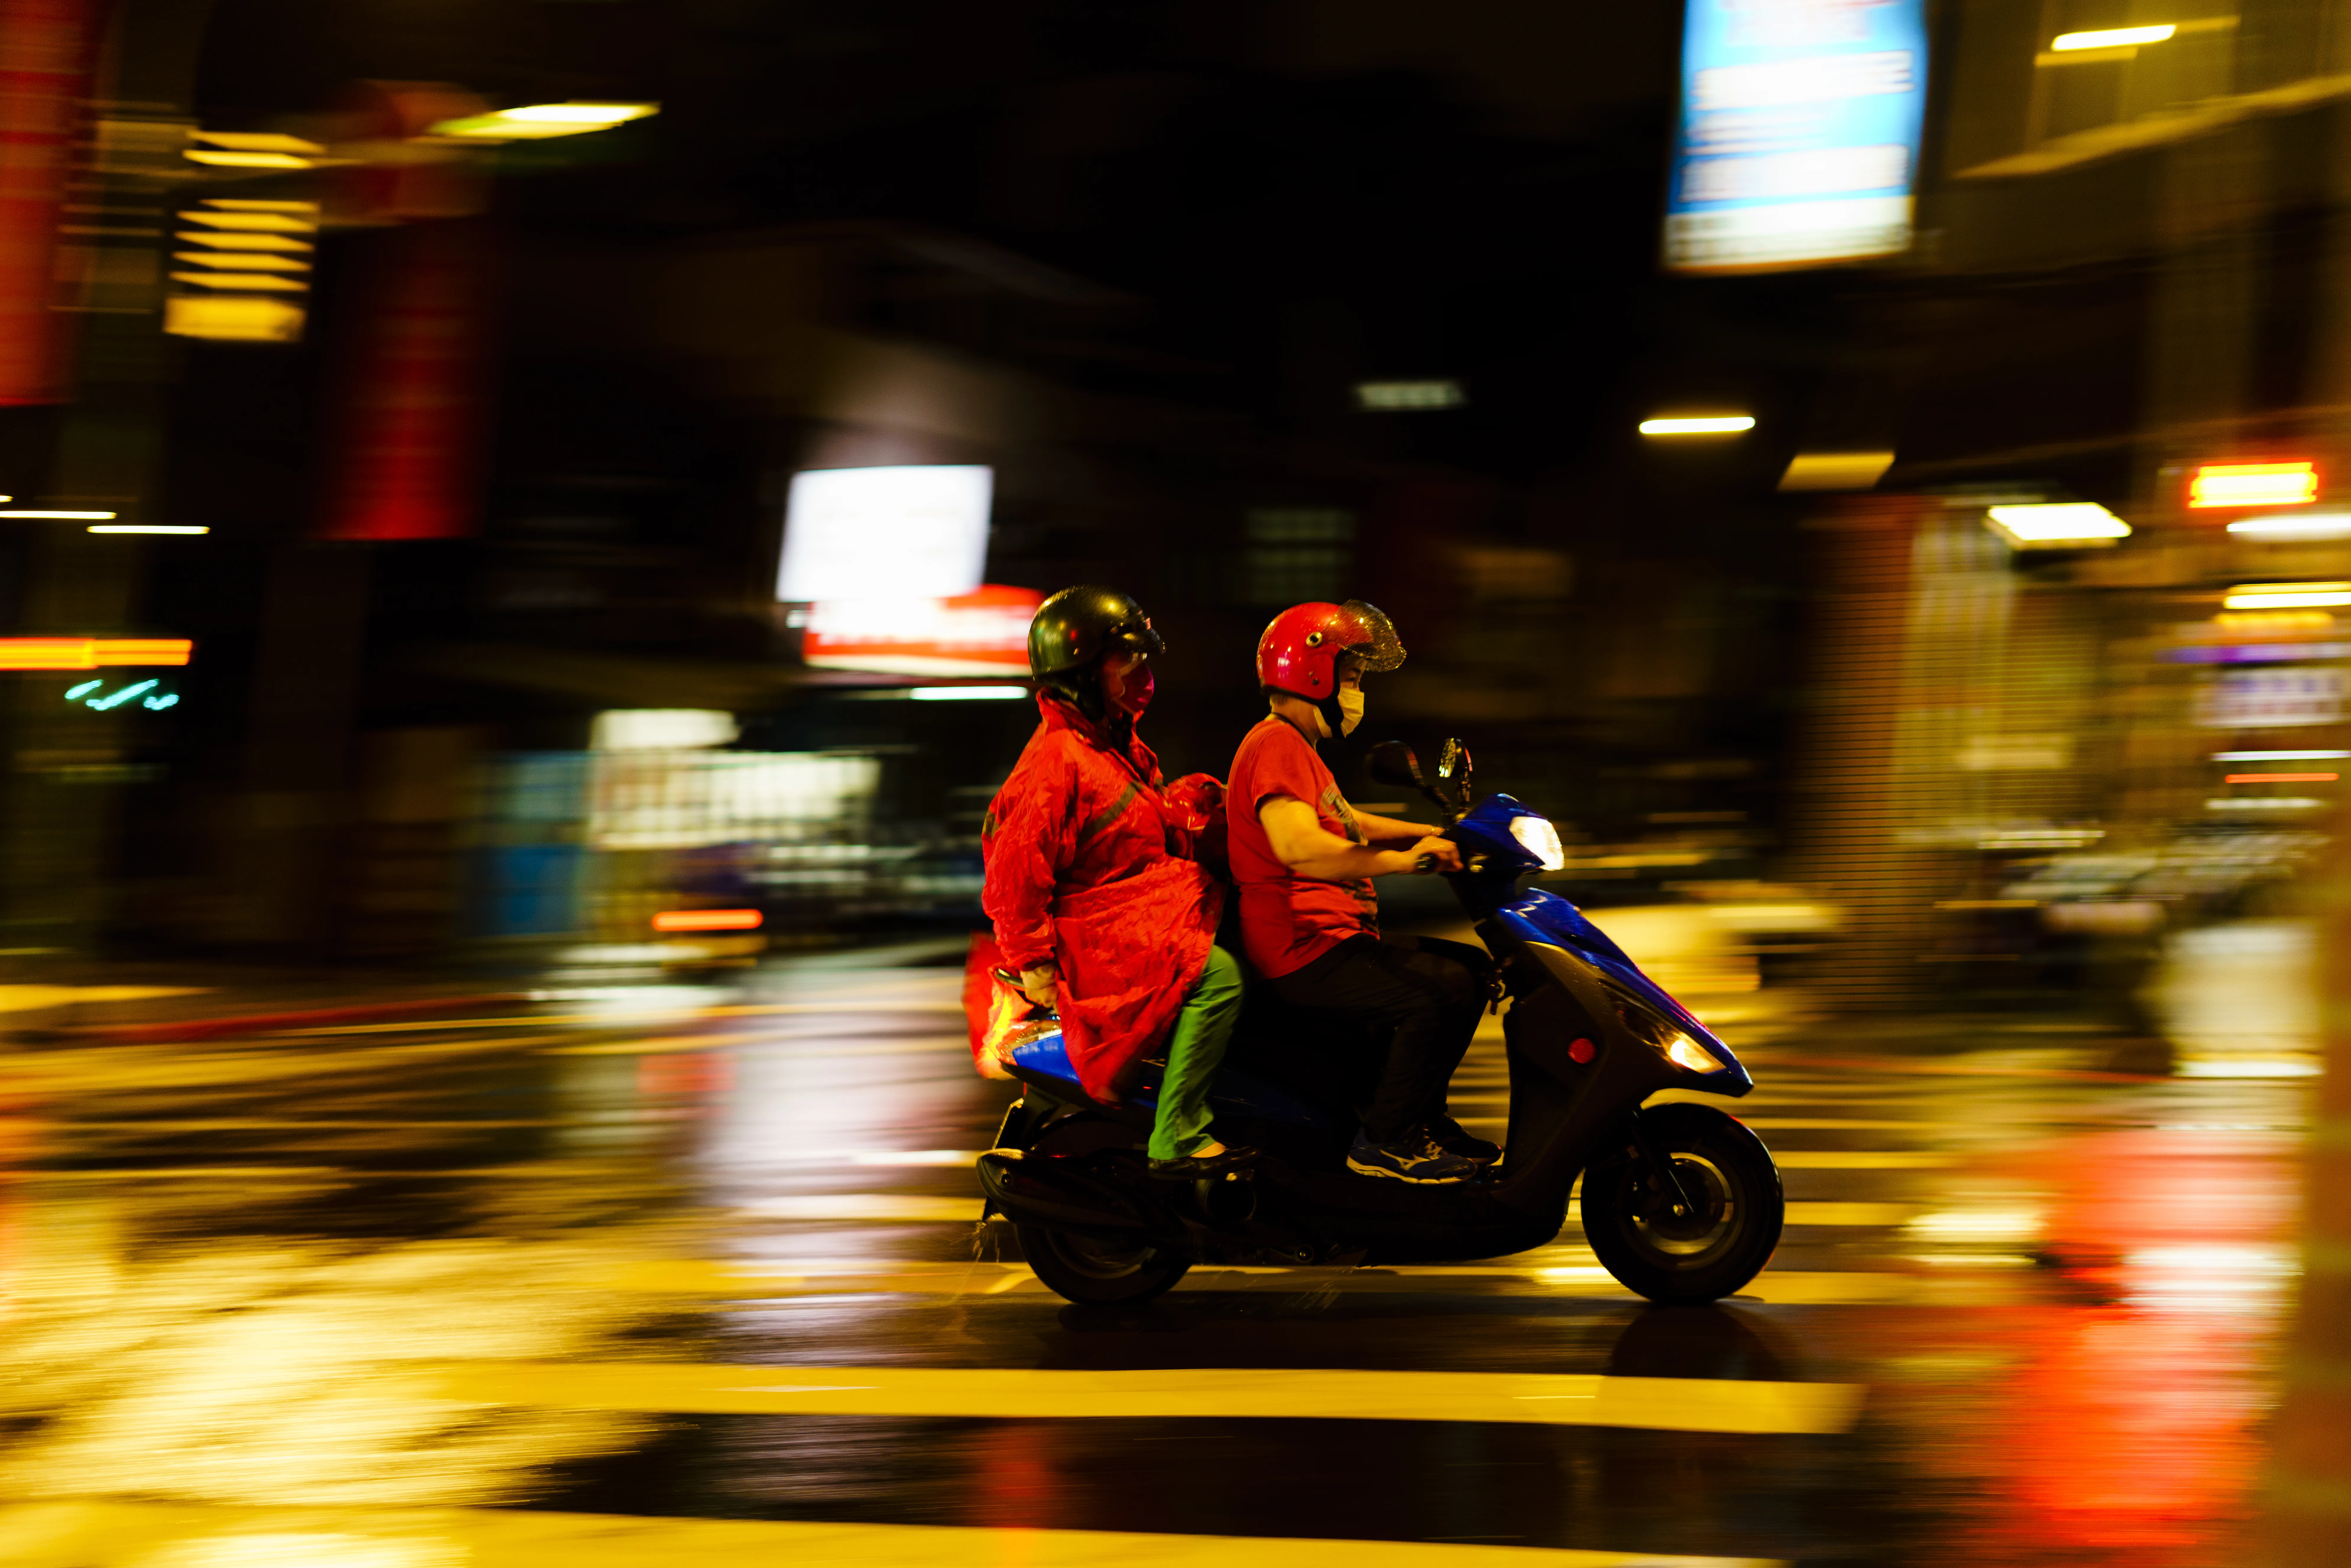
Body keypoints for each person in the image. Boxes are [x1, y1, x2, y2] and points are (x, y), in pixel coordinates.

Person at [981, 585, 1252, 1178]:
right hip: (1104, 935)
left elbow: (1145, 827)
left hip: (1143, 911)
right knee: (1220, 977)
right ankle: (1179, 1134)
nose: (1141, 674)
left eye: (1142, 658)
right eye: (1125, 659)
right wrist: (1035, 964)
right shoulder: (1057, 762)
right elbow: (1014, 876)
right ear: (1080, 672)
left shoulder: (1114, 747)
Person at [1225, 600, 1497, 1183]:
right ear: (1312, 673)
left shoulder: (1298, 750)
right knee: (1443, 991)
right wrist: (1404, 863)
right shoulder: (1274, 745)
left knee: (1473, 971)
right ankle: (1388, 1141)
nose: (1356, 693)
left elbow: (1346, 821)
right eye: (1351, 677)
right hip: (1301, 949)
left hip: (1331, 937)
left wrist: (1428, 833)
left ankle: (1419, 1119)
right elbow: (1299, 846)